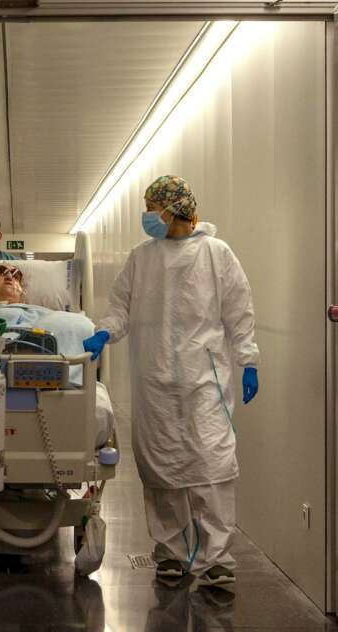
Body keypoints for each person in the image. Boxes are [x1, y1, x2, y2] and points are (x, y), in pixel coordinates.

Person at [82, 175, 260, 587]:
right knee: (161, 467)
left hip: (204, 380)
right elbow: (120, 309)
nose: (146, 215)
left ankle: (216, 558)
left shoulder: (216, 253)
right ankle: (171, 554)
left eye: (150, 206)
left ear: (171, 208)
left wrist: (248, 360)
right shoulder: (141, 258)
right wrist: (104, 332)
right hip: (154, 380)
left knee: (211, 466)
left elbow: (238, 311)